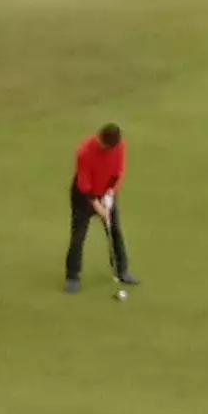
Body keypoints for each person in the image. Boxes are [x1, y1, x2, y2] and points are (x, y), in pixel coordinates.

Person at [66, 122, 138, 291]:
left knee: (115, 231)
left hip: (106, 193)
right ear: (100, 140)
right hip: (83, 198)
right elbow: (84, 186)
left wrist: (110, 196)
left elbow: (118, 173)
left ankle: (122, 270)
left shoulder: (120, 147)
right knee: (78, 236)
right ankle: (72, 277)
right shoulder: (85, 152)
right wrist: (98, 207)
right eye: (107, 148)